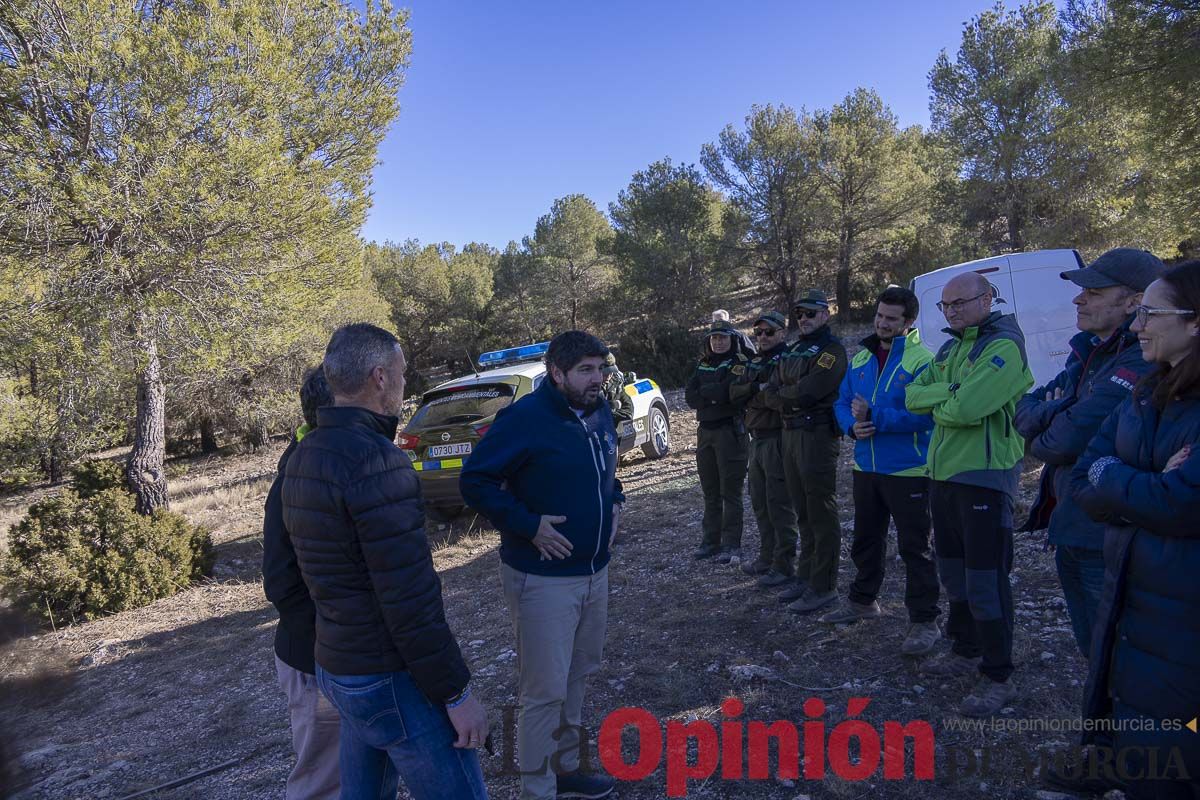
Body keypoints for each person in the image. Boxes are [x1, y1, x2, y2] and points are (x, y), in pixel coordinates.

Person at [281, 323, 489, 800]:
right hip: (387, 677)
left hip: (338, 669)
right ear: (379, 377)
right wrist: (457, 694)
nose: (403, 384)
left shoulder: (302, 455)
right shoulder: (379, 463)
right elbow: (410, 599)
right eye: (400, 373)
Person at [460, 331, 622, 800]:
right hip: (543, 579)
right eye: (585, 370)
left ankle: (566, 770)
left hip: (595, 572)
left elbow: (607, 472)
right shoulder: (524, 419)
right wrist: (528, 526)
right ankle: (538, 790)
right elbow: (476, 482)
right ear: (557, 373)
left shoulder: (599, 410)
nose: (597, 379)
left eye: (601, 367)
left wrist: (618, 501)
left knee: (578, 675)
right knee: (544, 691)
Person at [1065, 261, 1200, 800]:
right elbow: (1084, 473)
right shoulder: (1148, 392)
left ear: (1194, 323)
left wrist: (1119, 482)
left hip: (1183, 622)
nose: (1139, 324)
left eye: (1151, 312)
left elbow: (1182, 502)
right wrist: (1137, 483)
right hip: (1139, 604)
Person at [1014, 248, 1164, 657]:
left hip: (1109, 536)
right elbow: (1025, 408)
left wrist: (1044, 427)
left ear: (1135, 301)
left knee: (1120, 661)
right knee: (1094, 654)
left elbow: (1062, 442)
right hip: (1073, 526)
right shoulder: (1088, 350)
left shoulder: (1143, 357)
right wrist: (1054, 411)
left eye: (1094, 291)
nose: (1079, 299)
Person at [905, 273, 1033, 717]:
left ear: (987, 299)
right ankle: (964, 649)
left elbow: (967, 409)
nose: (952, 311)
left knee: (986, 581)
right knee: (954, 574)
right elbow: (912, 396)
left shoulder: (1002, 346)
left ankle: (999, 676)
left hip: (984, 479)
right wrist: (951, 392)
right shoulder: (950, 347)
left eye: (961, 303)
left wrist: (946, 398)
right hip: (943, 477)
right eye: (945, 306)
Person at [824, 287, 941, 655]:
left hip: (909, 470)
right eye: (879, 315)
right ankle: (862, 601)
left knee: (916, 549)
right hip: (866, 468)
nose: (882, 323)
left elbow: (928, 416)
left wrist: (877, 418)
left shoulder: (923, 361)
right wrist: (850, 427)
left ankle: (925, 622)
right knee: (866, 540)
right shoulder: (861, 359)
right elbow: (842, 403)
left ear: (909, 322)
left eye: (891, 318)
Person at [263, 366, 340, 800]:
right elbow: (280, 582)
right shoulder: (297, 475)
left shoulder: (324, 462)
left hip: (340, 657)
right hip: (315, 662)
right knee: (322, 781)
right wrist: (334, 643)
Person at [760, 290, 848, 614]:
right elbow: (768, 392)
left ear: (825, 314)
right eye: (799, 315)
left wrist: (784, 394)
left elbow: (811, 391)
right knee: (802, 510)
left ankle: (824, 586)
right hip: (790, 433)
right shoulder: (794, 349)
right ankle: (807, 576)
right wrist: (786, 394)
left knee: (820, 511)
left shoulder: (832, 350)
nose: (804, 319)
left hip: (816, 435)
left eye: (811, 313)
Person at [730, 311, 800, 579]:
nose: (762, 337)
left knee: (779, 502)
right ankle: (767, 556)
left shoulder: (787, 360)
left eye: (769, 332)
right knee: (759, 500)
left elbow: (777, 397)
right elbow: (734, 393)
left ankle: (784, 564)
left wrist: (757, 392)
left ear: (782, 333)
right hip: (755, 438)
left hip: (776, 436)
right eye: (758, 333)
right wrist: (756, 390)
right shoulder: (754, 360)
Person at [684, 319, 752, 563]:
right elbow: (690, 395)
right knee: (710, 491)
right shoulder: (703, 364)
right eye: (714, 338)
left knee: (730, 492)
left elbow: (728, 393)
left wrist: (710, 394)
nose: (718, 342)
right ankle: (710, 542)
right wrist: (712, 395)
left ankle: (731, 544)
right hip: (705, 433)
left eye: (723, 338)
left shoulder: (739, 363)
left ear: (732, 339)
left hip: (730, 432)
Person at [601, 353, 634, 424]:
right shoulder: (589, 387)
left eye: (611, 372)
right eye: (605, 373)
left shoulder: (617, 382)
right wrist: (614, 405)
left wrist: (613, 413)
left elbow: (628, 409)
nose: (609, 376)